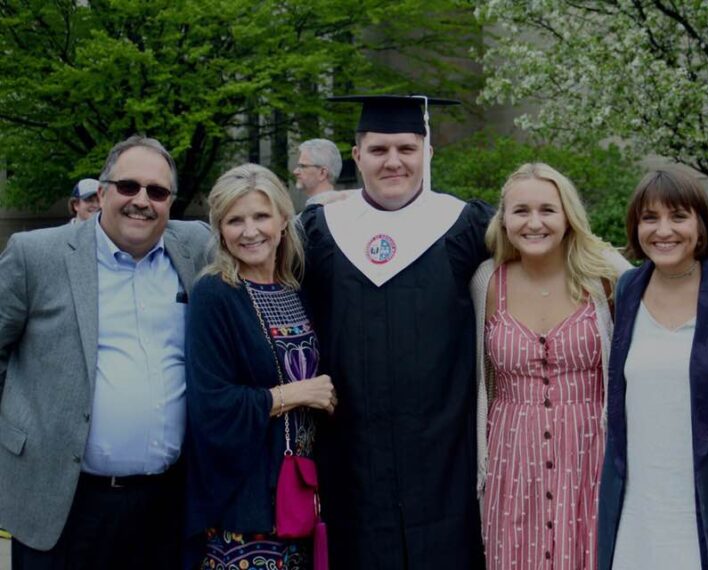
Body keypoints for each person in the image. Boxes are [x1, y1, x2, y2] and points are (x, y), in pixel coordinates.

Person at [300, 95, 492, 569]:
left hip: (445, 457)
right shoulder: (322, 230)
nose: (393, 161)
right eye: (379, 149)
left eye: (406, 149)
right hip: (351, 459)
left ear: (427, 153)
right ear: (357, 154)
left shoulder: (464, 225)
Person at [0, 136, 210, 568]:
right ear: (101, 193)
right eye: (128, 186)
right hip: (62, 502)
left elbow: (264, 230)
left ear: (171, 202)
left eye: (157, 192)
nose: (141, 201)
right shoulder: (36, 255)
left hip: (164, 506)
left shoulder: (194, 247)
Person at [470, 163, 630, 570]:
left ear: (568, 217)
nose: (534, 222)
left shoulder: (605, 276)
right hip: (511, 455)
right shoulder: (486, 282)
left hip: (591, 451)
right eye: (521, 211)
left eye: (547, 210)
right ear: (503, 220)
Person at [598, 169, 708, 570]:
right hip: (637, 501)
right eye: (650, 218)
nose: (663, 230)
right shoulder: (630, 287)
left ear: (701, 223)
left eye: (678, 216)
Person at [184, 163, 335, 569]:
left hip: (300, 495)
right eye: (235, 220)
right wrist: (298, 393)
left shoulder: (296, 290)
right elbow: (210, 406)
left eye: (261, 216)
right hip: (245, 505)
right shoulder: (214, 294)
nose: (250, 231)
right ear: (219, 229)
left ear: (283, 220)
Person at [293, 139, 342, 207]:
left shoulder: (324, 212)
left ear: (322, 173)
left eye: (303, 166)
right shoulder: (340, 208)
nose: (295, 172)